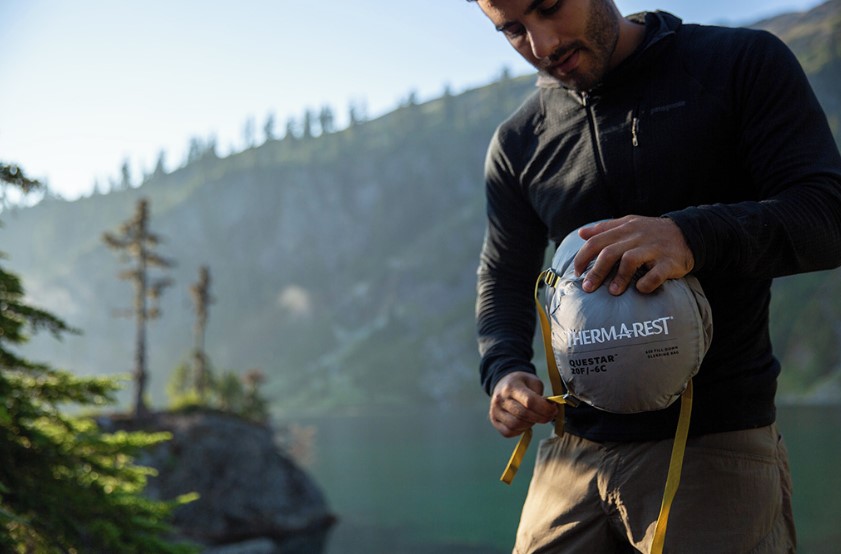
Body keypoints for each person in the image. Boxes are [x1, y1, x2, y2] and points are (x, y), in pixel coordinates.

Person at [468, 0, 841, 552]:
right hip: (570, 461)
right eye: (514, 30)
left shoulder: (737, 64)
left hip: (715, 447)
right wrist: (503, 369)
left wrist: (690, 236)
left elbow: (826, 215)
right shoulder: (519, 141)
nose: (541, 46)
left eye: (548, 8)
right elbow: (503, 277)